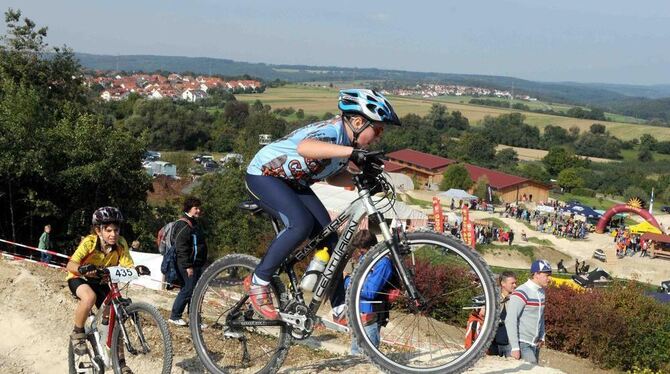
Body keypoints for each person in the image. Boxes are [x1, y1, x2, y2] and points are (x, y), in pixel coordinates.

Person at [243, 89, 401, 320]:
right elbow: (305, 148)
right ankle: (258, 282)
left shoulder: (346, 145)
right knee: (301, 224)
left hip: (294, 183)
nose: (379, 137)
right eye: (377, 130)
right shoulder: (332, 131)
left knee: (331, 239)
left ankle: (339, 306)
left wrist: (365, 180)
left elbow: (332, 177)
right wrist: (352, 153)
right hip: (264, 175)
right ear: (357, 122)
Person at [65, 207, 135, 374]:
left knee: (116, 317)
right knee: (89, 298)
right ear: (98, 230)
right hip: (79, 278)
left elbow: (128, 265)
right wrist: (82, 269)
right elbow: (70, 264)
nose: (113, 234)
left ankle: (120, 362)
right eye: (108, 230)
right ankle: (78, 333)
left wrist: (136, 270)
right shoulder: (90, 242)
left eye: (116, 230)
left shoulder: (121, 243)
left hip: (101, 281)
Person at [343, 230, 397, 354]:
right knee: (355, 353)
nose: (359, 253)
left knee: (367, 354)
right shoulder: (366, 258)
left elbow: (369, 292)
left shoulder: (383, 263)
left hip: (372, 314)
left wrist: (346, 282)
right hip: (360, 313)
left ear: (371, 247)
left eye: (361, 250)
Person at [168, 197, 208, 326]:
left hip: (196, 264)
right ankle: (174, 316)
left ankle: (194, 320)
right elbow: (181, 247)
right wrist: (187, 266)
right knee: (187, 289)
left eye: (199, 207)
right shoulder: (183, 224)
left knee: (195, 292)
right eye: (196, 208)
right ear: (189, 208)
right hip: (186, 265)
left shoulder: (194, 223)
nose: (198, 210)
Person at [505, 259, 552, 364]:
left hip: (535, 344)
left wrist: (541, 336)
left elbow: (540, 316)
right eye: (547, 275)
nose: (549, 279)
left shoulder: (541, 292)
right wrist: (515, 347)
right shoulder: (521, 292)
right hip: (522, 343)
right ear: (536, 274)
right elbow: (510, 320)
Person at [489, 271, 517, 357]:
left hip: (509, 344)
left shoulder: (516, 299)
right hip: (493, 343)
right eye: (512, 283)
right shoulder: (493, 298)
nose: (515, 285)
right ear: (503, 283)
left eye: (515, 283)